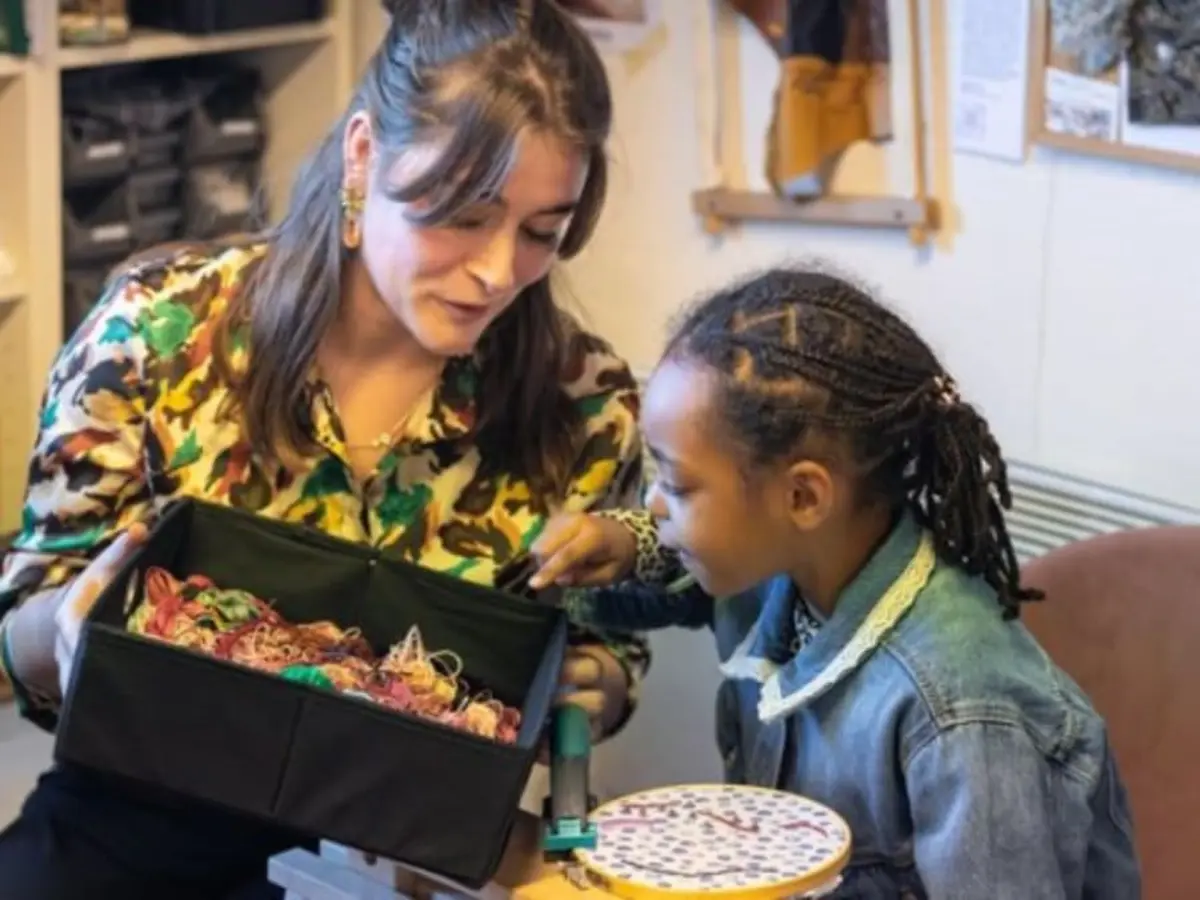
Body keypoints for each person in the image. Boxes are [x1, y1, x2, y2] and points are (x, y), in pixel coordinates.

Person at [0, 2, 653, 897]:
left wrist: (587, 719)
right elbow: (23, 630)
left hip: (415, 853)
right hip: (138, 832)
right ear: (361, 157)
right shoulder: (156, 331)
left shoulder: (584, 405)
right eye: (464, 213)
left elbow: (604, 667)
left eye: (543, 231)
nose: (500, 271)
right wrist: (74, 623)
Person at [531, 265, 1142, 899]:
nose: (655, 504)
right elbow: (666, 577)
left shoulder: (963, 714)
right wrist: (623, 544)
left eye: (678, 486)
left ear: (802, 496)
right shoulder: (786, 567)